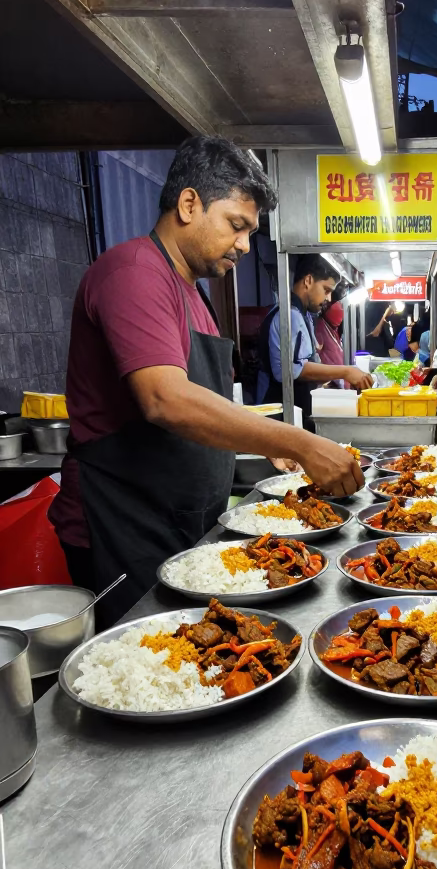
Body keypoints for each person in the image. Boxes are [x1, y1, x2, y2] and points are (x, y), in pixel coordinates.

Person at [49, 136, 364, 624]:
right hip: (121, 523)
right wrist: (298, 442)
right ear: (189, 203)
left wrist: (262, 445)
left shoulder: (194, 293)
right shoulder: (133, 273)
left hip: (177, 517)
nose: (243, 244)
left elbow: (206, 400)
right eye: (236, 225)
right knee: (147, 669)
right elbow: (165, 399)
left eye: (250, 232)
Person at [256, 255, 372, 418]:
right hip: (279, 414)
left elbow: (312, 362)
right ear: (308, 281)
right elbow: (295, 370)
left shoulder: (304, 316)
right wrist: (346, 372)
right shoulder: (289, 316)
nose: (328, 298)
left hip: (295, 411)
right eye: (326, 290)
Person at [313, 283, 347, 385]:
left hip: (338, 378)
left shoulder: (333, 328)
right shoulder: (319, 326)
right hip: (331, 381)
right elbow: (316, 354)